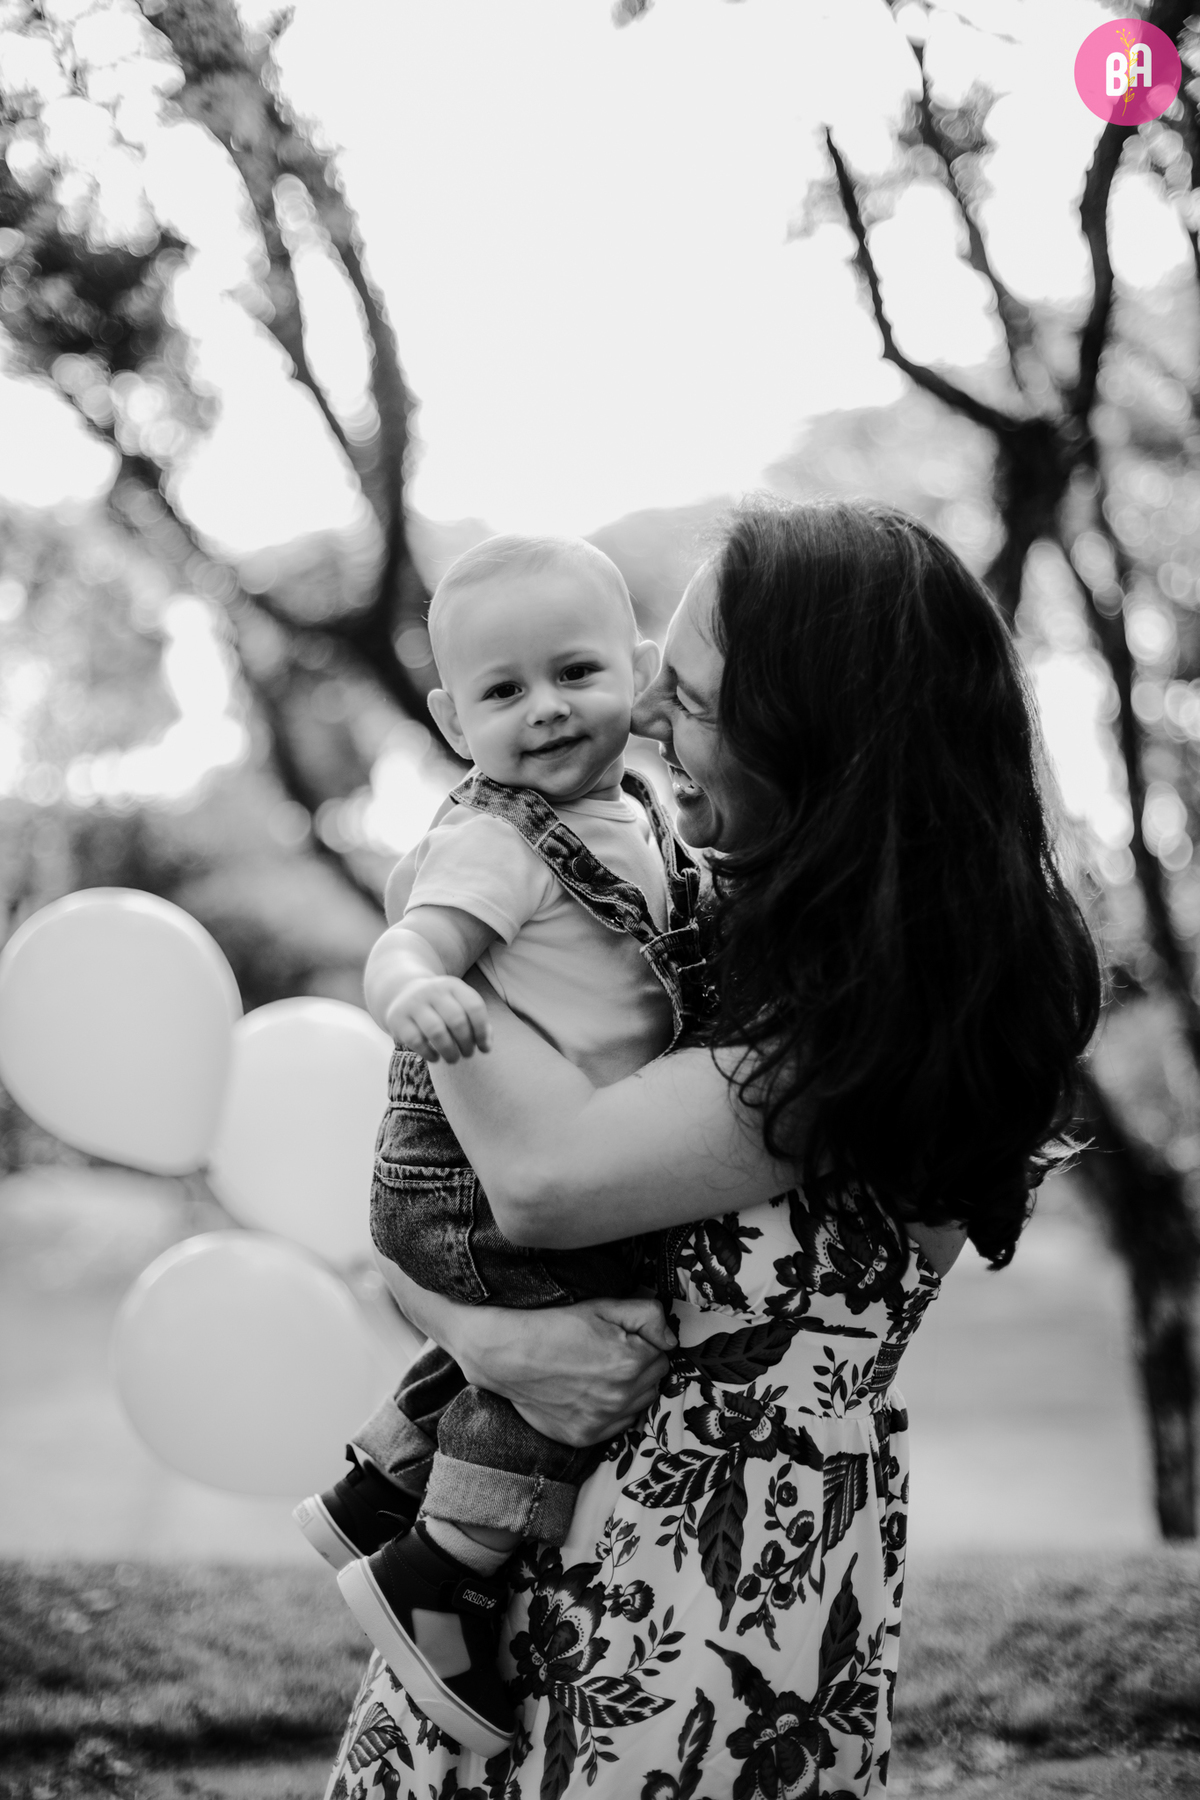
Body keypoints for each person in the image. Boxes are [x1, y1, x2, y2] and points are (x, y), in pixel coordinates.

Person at [325, 500, 1101, 1800]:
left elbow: (541, 1183)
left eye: (680, 694)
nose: (639, 723)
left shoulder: (880, 1012)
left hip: (709, 1584)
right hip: (536, 1532)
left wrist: (453, 882)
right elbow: (439, 1221)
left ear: (811, 723)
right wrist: (493, 1343)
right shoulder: (701, 912)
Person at [295, 533, 705, 1756]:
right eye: (503, 692)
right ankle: (444, 1572)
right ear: (449, 714)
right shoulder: (502, 837)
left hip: (500, 1156)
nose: (545, 711)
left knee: (540, 1321)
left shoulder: (633, 814)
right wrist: (413, 988)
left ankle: (377, 1484)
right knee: (588, 1343)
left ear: (635, 672)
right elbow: (411, 937)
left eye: (574, 673)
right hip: (461, 1171)